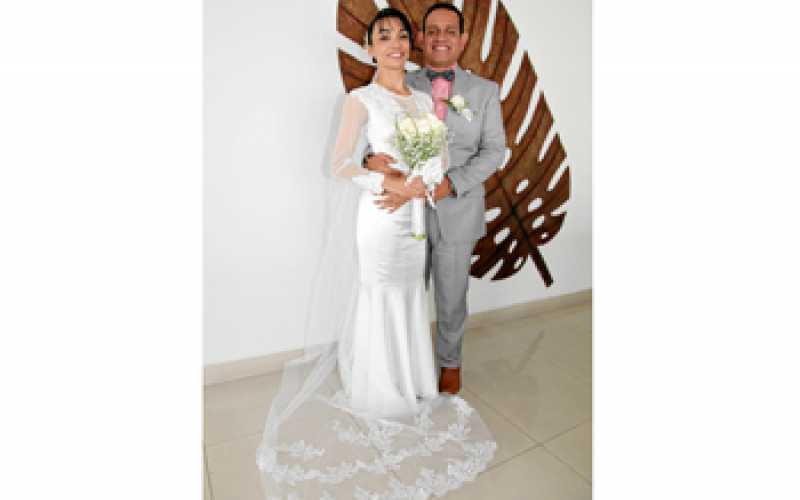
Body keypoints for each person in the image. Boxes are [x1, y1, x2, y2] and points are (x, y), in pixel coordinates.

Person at [256, 8, 497, 499]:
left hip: (416, 214)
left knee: (410, 296)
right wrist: (384, 180)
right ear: (369, 47)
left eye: (401, 35)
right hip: (383, 217)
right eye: (383, 36)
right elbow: (338, 164)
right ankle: (380, 390)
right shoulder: (360, 99)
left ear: (413, 44)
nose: (395, 43)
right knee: (380, 292)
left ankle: (414, 382)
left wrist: (419, 183)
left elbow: (440, 158)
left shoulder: (425, 99)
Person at [365, 3, 507, 395]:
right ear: (421, 38)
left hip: (458, 209)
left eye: (450, 31)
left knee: (451, 294)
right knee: (404, 293)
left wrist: (452, 183)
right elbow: (374, 132)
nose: (440, 37)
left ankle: (449, 362)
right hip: (405, 211)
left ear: (463, 39)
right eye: (432, 31)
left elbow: (494, 151)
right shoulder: (400, 82)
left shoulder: (485, 91)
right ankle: (403, 365)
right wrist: (367, 159)